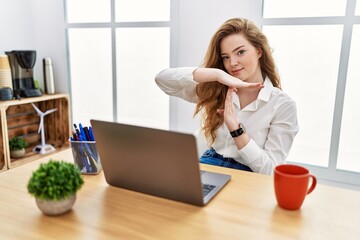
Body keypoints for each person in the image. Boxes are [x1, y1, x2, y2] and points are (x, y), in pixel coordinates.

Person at [155, 18, 299, 175]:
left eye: (240, 52)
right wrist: (217, 74)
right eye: (226, 57)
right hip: (210, 162)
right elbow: (163, 79)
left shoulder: (283, 105)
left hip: (249, 174)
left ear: (259, 51)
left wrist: (236, 130)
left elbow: (271, 170)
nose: (233, 63)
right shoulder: (217, 89)